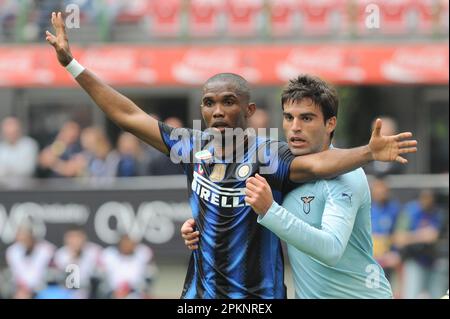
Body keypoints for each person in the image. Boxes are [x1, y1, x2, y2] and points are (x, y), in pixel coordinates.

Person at [46, 12, 416, 299]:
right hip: (199, 295)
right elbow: (128, 115)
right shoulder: (189, 147)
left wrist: (368, 152)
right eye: (209, 103)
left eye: (228, 102)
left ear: (250, 110)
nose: (218, 111)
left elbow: (319, 164)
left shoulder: (270, 156)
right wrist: (72, 65)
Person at [184, 75, 396, 298]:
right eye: (288, 117)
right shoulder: (282, 167)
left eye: (306, 118)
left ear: (330, 123)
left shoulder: (347, 174)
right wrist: (200, 226)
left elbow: (331, 249)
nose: (295, 127)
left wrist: (270, 210)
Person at [393, 189, 446, 299]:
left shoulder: (437, 213)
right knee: (411, 295)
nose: (427, 201)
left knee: (439, 295)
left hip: (433, 261)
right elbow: (398, 238)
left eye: (430, 198)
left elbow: (435, 235)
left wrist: (430, 236)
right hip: (414, 260)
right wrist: (420, 236)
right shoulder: (410, 211)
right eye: (424, 198)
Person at [5, 224, 56, 299]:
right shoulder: (12, 251)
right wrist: (23, 288)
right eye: (21, 236)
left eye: (26, 236)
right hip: (20, 289)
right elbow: (16, 273)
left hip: (43, 289)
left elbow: (51, 273)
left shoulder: (47, 249)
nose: (24, 240)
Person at [99, 234, 156, 299]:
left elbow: (150, 276)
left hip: (136, 292)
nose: (126, 245)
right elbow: (101, 279)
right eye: (124, 242)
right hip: (112, 292)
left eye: (129, 242)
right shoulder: (109, 255)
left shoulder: (142, 254)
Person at [53, 226, 102, 299]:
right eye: (71, 237)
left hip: (91, 293)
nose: (75, 241)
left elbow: (100, 276)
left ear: (84, 238)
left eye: (78, 237)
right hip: (66, 294)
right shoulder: (60, 255)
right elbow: (58, 280)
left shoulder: (94, 252)